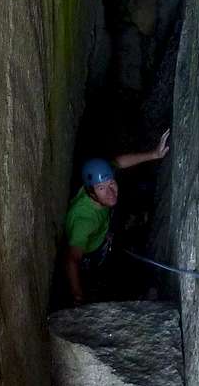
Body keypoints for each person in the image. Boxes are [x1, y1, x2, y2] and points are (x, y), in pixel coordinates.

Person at [62, 130, 170, 305]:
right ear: (91, 193)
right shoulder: (84, 221)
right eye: (103, 188)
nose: (111, 192)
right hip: (91, 254)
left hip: (103, 232)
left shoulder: (95, 187)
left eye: (112, 183)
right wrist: (77, 297)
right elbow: (71, 260)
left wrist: (154, 154)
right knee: (102, 280)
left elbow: (119, 162)